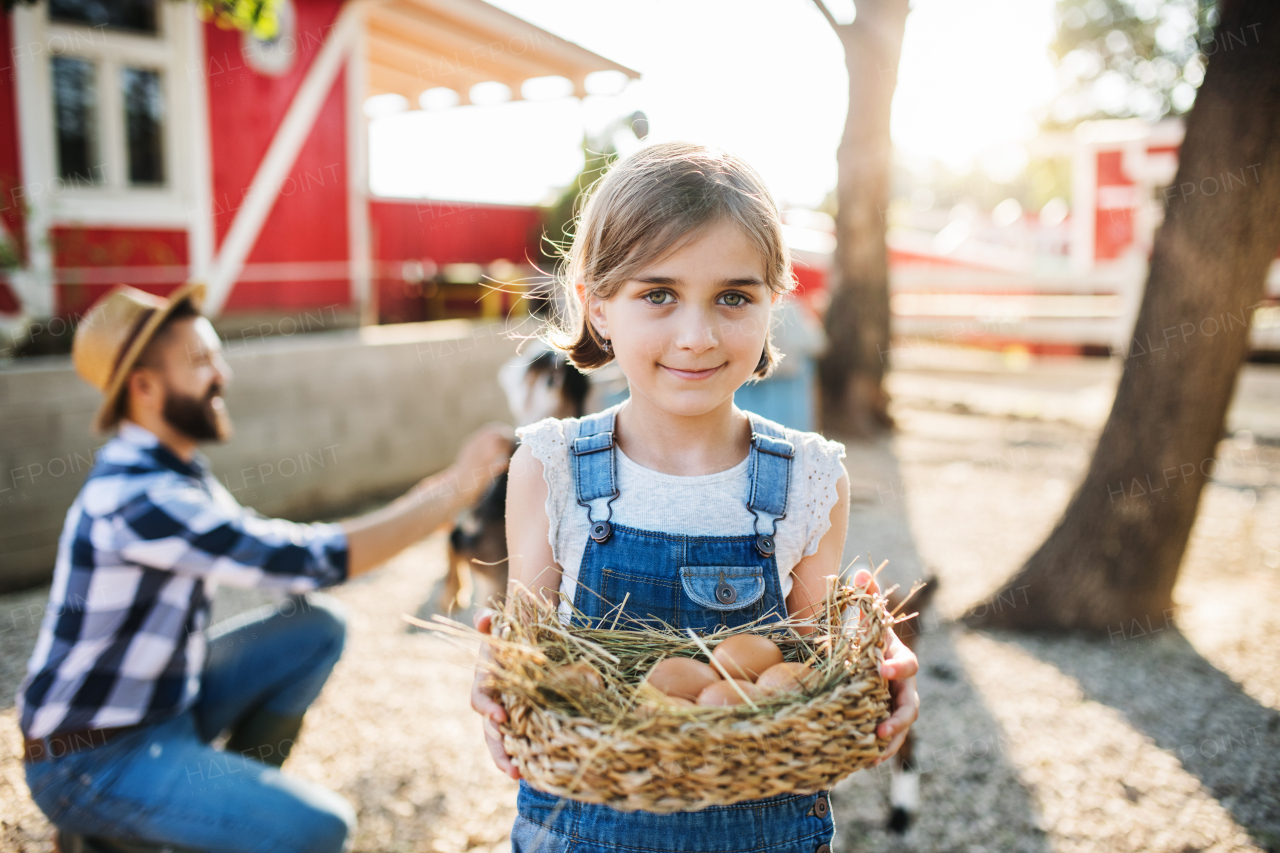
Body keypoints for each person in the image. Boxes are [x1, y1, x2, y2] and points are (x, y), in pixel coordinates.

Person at [469, 142, 920, 853]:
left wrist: (873, 666)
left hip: (763, 828)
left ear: (774, 305)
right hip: (582, 826)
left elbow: (804, 666)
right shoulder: (549, 466)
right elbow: (536, 657)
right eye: (658, 294)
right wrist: (500, 682)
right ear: (598, 308)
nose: (697, 335)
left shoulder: (807, 476)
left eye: (733, 296)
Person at [16, 282, 514, 853]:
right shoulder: (141, 497)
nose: (222, 373)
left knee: (316, 629)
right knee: (319, 829)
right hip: (93, 756)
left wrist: (448, 487)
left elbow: (285, 556)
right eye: (201, 360)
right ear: (145, 387)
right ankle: (127, 820)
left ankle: (193, 815)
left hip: (161, 709)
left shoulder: (176, 473)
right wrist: (457, 486)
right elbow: (310, 560)